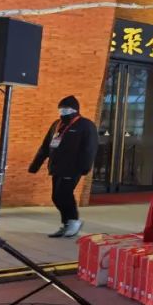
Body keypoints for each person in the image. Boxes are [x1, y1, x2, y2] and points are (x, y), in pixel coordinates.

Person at [28, 95, 98, 238]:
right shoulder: (57, 124)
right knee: (56, 196)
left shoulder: (86, 125)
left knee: (64, 194)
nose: (63, 112)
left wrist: (85, 167)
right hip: (56, 167)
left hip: (73, 167)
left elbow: (90, 148)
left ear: (75, 110)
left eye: (67, 109)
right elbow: (45, 146)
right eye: (61, 109)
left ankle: (73, 221)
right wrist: (35, 165)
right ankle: (67, 223)